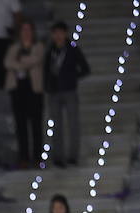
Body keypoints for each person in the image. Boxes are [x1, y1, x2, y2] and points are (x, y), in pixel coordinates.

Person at [44, 21, 90, 168]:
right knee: (56, 125)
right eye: (55, 33)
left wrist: (72, 77)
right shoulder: (49, 51)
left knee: (73, 124)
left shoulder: (72, 49)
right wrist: (47, 86)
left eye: (60, 32)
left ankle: (73, 156)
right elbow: (45, 70)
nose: (58, 36)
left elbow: (85, 68)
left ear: (65, 33)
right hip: (54, 92)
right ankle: (58, 156)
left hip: (69, 91)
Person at [3, 20, 44, 168]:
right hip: (17, 88)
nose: (26, 32)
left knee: (36, 124)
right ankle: (24, 157)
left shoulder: (38, 46)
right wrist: (22, 63)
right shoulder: (14, 47)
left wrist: (19, 61)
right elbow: (7, 63)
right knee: (20, 124)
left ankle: (38, 157)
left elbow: (36, 59)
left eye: (29, 29)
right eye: (23, 30)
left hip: (34, 89)